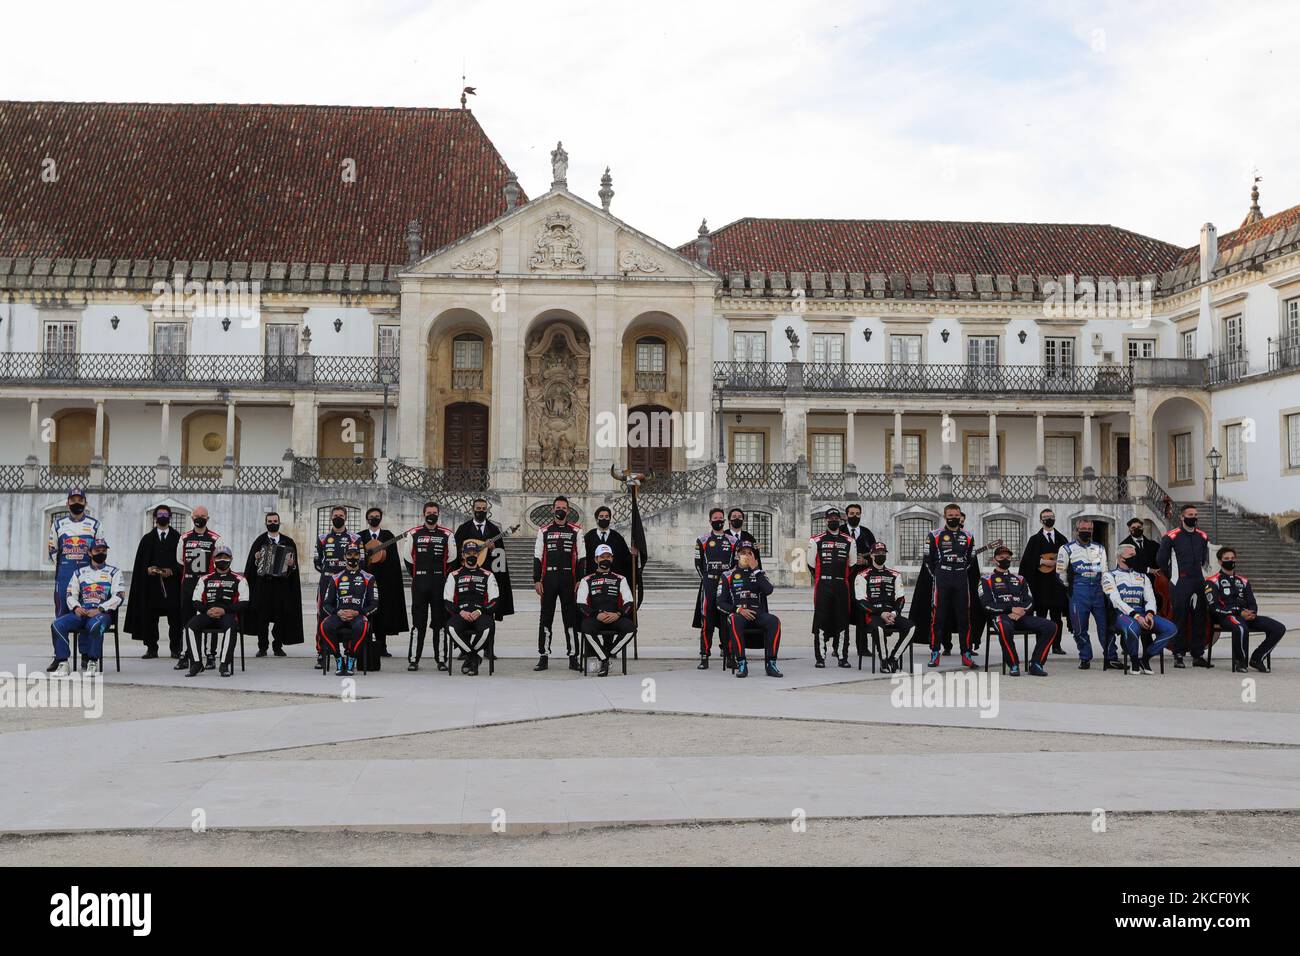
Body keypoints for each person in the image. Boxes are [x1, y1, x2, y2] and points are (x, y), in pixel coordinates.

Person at [48, 537, 123, 677]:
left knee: (94, 626)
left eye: (103, 551)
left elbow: (119, 596)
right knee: (57, 624)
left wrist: (100, 609)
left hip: (102, 614)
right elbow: (70, 594)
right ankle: (63, 662)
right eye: (97, 550)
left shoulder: (114, 572)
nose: (101, 553)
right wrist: (76, 607)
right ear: (89, 553)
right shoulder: (79, 573)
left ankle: (92, 661)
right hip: (82, 612)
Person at [1205, 546, 1286, 673]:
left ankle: (1257, 658)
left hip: (1246, 616)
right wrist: (1238, 612)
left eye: (1232, 558)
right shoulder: (1212, 581)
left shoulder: (1243, 581)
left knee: (1278, 628)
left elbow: (1253, 604)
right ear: (1220, 562)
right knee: (1241, 627)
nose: (1230, 561)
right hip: (1226, 617)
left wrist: (1251, 613)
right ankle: (1240, 661)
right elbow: (1214, 608)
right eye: (1226, 558)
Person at [979, 544, 1056, 677]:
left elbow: (1030, 601)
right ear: (994, 560)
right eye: (1001, 557)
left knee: (1051, 626)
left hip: (1021, 616)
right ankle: (1013, 664)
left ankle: (1036, 663)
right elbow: (986, 605)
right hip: (1000, 617)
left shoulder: (1020, 579)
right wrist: (1010, 609)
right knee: (1004, 627)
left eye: (1008, 557)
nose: (1005, 559)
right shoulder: (985, 580)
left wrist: (1019, 611)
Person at [1103, 543, 1177, 675]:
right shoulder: (1109, 576)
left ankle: (1145, 658)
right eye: (1131, 555)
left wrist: (1149, 613)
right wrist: (1136, 616)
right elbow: (1115, 600)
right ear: (1120, 558)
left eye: (1135, 555)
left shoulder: (1143, 577)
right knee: (1133, 628)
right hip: (1121, 615)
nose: (1135, 558)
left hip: (1143, 613)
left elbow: (1150, 598)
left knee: (1171, 629)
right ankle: (1134, 660)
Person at [533, 495, 586, 672]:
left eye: (563, 507)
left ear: (568, 511)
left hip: (568, 579)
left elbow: (582, 557)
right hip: (548, 578)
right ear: (552, 509)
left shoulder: (576, 531)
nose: (560, 510)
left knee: (570, 619)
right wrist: (536, 580)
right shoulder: (544, 530)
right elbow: (538, 557)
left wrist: (579, 579)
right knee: (545, 618)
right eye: (557, 507)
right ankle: (543, 656)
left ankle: (573, 657)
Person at [241, 511, 304, 656]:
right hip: (263, 586)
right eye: (269, 521)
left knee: (280, 617)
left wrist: (291, 564)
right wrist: (257, 559)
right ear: (266, 523)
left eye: (275, 521)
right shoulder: (260, 541)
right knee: (261, 617)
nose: (272, 523)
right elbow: (251, 566)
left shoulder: (288, 542)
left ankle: (278, 646)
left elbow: (294, 568)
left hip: (281, 586)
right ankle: (262, 647)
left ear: (279, 522)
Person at [124, 505, 184, 659]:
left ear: (169, 517)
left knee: (175, 619)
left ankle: (176, 649)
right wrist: (148, 570)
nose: (162, 516)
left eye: (165, 514)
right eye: (160, 514)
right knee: (150, 619)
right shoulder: (147, 539)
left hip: (172, 587)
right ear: (155, 517)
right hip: (151, 587)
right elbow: (140, 564)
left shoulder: (178, 538)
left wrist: (172, 570)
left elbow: (183, 562)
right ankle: (152, 648)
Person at [1157, 504, 1212, 668]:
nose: (1193, 517)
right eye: (1190, 514)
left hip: (1198, 582)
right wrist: (1172, 577)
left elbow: (1205, 560)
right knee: (1179, 619)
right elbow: (1161, 560)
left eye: (1195, 514)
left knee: (1199, 618)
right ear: (1182, 517)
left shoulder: (1203, 536)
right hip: (1180, 582)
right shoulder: (1171, 536)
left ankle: (1197, 654)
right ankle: (1178, 654)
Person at [1056, 518, 1116, 670]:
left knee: (1105, 626)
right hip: (1078, 591)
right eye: (1083, 529)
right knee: (1079, 627)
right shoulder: (1066, 548)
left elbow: (1105, 571)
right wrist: (1071, 589)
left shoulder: (1100, 548)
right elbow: (1060, 572)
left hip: (1098, 591)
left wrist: (1107, 592)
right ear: (1076, 530)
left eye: (1089, 529)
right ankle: (1085, 657)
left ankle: (1111, 657)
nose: (1086, 532)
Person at [716, 542, 782, 679]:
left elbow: (769, 590)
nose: (746, 555)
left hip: (758, 614)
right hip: (739, 614)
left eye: (749, 553)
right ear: (737, 555)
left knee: (774, 621)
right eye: (743, 552)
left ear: (754, 556)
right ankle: (741, 663)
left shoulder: (759, 573)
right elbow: (720, 603)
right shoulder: (727, 575)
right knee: (734, 619)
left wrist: (756, 570)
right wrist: (738, 609)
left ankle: (771, 663)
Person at [183, 543, 249, 677]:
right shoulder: (204, 579)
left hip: (228, 615)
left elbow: (244, 602)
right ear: (213, 560)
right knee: (190, 626)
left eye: (225, 557)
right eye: (219, 557)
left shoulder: (240, 579)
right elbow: (195, 600)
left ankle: (224, 664)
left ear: (231, 559)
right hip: (208, 613)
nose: (222, 560)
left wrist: (225, 610)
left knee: (231, 628)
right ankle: (196, 663)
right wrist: (207, 610)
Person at [406, 500, 456, 671]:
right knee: (418, 622)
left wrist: (440, 575)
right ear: (424, 514)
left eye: (434, 512)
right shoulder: (413, 533)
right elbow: (407, 559)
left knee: (439, 622)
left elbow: (452, 559)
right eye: (429, 512)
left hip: (439, 582)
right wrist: (418, 575)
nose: (431, 515)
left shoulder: (447, 534)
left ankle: (441, 659)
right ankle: (413, 659)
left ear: (438, 514)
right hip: (419, 582)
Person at [926, 503, 977, 668]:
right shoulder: (934, 535)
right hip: (942, 578)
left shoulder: (968, 536)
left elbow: (971, 559)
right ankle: (935, 652)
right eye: (950, 515)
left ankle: (966, 653)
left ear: (960, 516)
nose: (953, 518)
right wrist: (939, 574)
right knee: (938, 618)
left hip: (961, 578)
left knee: (964, 618)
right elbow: (928, 560)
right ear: (944, 516)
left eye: (956, 515)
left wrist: (960, 569)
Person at [357, 506, 409, 667]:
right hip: (365, 582)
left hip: (384, 582)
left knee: (382, 613)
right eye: (372, 516)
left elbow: (393, 561)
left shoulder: (388, 536)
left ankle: (382, 645)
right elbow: (355, 557)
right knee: (365, 613)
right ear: (367, 519)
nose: (374, 518)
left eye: (377, 516)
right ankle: (363, 643)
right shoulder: (360, 537)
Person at [318, 542, 378, 676]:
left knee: (362, 627)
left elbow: (374, 604)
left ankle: (352, 658)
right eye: (349, 554)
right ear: (345, 556)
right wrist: (337, 612)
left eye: (356, 554)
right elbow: (326, 603)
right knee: (324, 626)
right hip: (339, 614)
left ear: (360, 556)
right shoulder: (335, 578)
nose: (353, 557)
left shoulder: (369, 578)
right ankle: (338, 658)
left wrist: (358, 612)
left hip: (358, 615)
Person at [576, 543, 636, 676]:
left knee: (631, 628)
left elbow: (629, 602)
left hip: (615, 616)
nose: (605, 559)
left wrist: (619, 614)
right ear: (596, 559)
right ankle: (604, 659)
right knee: (585, 628)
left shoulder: (621, 579)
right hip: (595, 617)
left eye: (608, 556)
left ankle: (607, 655)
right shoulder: (587, 580)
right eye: (602, 557)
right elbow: (580, 603)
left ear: (612, 559)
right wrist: (596, 614)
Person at [853, 542, 913, 673]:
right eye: (877, 553)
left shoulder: (894, 575)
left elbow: (901, 598)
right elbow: (861, 601)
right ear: (872, 556)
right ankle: (883, 661)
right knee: (879, 628)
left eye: (883, 553)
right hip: (873, 615)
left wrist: (894, 613)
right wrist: (880, 613)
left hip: (892, 614)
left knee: (911, 627)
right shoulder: (862, 576)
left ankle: (893, 658)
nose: (881, 555)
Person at [808, 508, 856, 668]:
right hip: (823, 585)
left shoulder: (849, 541)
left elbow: (853, 565)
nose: (833, 520)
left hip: (842, 584)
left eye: (836, 518)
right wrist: (823, 578)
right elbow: (811, 564)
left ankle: (843, 657)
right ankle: (820, 657)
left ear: (840, 520)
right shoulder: (816, 540)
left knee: (842, 620)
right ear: (826, 520)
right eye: (830, 518)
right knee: (821, 619)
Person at [454, 498, 516, 622]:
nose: (481, 511)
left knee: (486, 615)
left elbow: (500, 559)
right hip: (466, 577)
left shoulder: (494, 530)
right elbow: (455, 552)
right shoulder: (463, 529)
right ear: (472, 510)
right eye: (478, 509)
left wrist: (493, 549)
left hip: (487, 577)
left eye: (484, 509)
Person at [175, 505, 220, 670]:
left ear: (207, 518)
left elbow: (219, 561)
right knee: (187, 621)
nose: (200, 518)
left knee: (209, 618)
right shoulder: (184, 538)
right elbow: (180, 560)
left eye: (203, 515)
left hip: (208, 586)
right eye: (197, 515)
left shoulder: (216, 538)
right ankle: (186, 654)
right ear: (192, 518)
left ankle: (210, 655)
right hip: (188, 584)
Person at [692, 507, 738, 669]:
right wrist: (706, 579)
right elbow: (698, 564)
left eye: (721, 518)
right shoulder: (702, 540)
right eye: (716, 518)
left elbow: (735, 564)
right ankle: (704, 656)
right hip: (709, 585)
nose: (719, 520)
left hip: (726, 587)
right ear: (710, 521)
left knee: (727, 622)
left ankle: (730, 655)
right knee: (707, 623)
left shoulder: (732, 541)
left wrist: (728, 581)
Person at [443, 540, 498, 676]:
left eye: (474, 553)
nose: (471, 556)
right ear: (463, 555)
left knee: (487, 629)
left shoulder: (488, 575)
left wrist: (480, 611)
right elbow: (447, 601)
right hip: (461, 613)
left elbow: (495, 600)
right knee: (450, 628)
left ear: (478, 554)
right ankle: (474, 657)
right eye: (468, 553)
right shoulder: (454, 575)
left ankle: (469, 658)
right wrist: (460, 612)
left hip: (481, 613)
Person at [1017, 508, 1068, 655]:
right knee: (1040, 617)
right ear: (1041, 520)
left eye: (1051, 516)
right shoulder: (1034, 539)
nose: (1048, 519)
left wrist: (1056, 562)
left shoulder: (1062, 539)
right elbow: (1027, 560)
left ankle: (1056, 645)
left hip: (1056, 586)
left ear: (1054, 518)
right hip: (1040, 586)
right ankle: (1041, 644)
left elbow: (1067, 558)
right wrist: (1042, 560)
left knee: (1057, 618)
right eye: (1045, 517)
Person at [314, 505, 358, 669]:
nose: (337, 517)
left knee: (348, 614)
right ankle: (321, 652)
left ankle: (348, 651)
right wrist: (331, 574)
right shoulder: (322, 538)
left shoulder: (354, 538)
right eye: (335, 515)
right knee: (322, 616)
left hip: (348, 582)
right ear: (331, 517)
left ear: (345, 517)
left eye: (340, 515)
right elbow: (317, 562)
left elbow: (359, 562)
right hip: (327, 580)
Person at [48, 487, 101, 617]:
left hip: (88, 577)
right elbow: (52, 551)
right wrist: (65, 564)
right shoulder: (58, 524)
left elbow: (100, 550)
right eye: (73, 500)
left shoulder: (95, 525)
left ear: (85, 503)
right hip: (64, 575)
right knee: (62, 616)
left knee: (86, 616)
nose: (77, 503)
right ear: (67, 503)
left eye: (80, 500)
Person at [585, 505, 641, 605]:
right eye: (601, 516)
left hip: (613, 581)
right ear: (596, 518)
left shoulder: (617, 537)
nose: (604, 519)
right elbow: (583, 559)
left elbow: (626, 560)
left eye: (607, 516)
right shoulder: (588, 537)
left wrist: (634, 556)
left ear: (610, 518)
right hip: (593, 580)